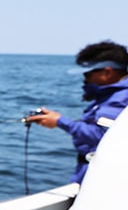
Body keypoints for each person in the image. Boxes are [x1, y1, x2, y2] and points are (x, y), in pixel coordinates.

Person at [26, 40, 128, 184]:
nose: (84, 80)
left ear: (107, 72)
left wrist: (60, 121)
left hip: (102, 178)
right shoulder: (109, 96)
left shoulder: (120, 98)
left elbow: (103, 136)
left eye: (87, 74)